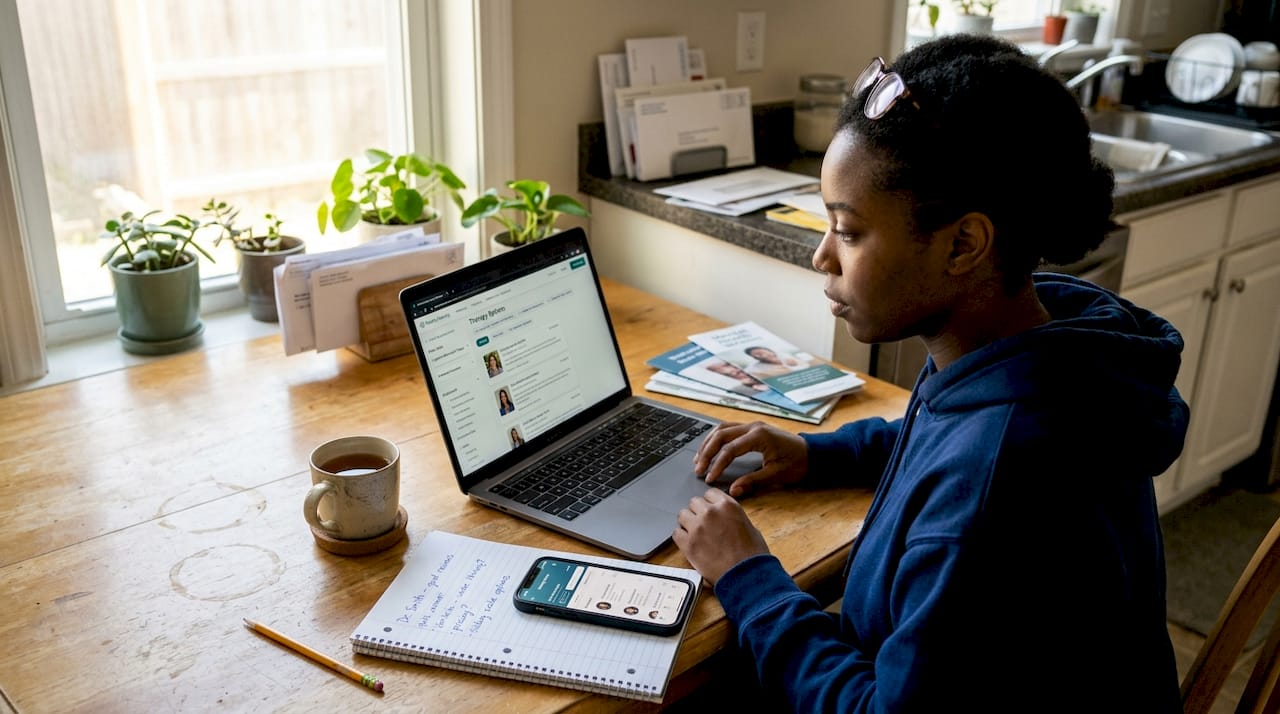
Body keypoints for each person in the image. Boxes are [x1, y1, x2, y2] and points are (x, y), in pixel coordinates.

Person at [673, 34, 1188, 712]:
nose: (822, 256)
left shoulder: (994, 486)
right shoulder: (1043, 349)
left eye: (848, 230)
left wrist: (749, 577)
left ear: (964, 245)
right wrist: (814, 454)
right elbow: (944, 432)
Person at [706, 360, 771, 393]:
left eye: (728, 364)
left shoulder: (759, 369)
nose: (734, 367)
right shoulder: (740, 388)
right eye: (726, 365)